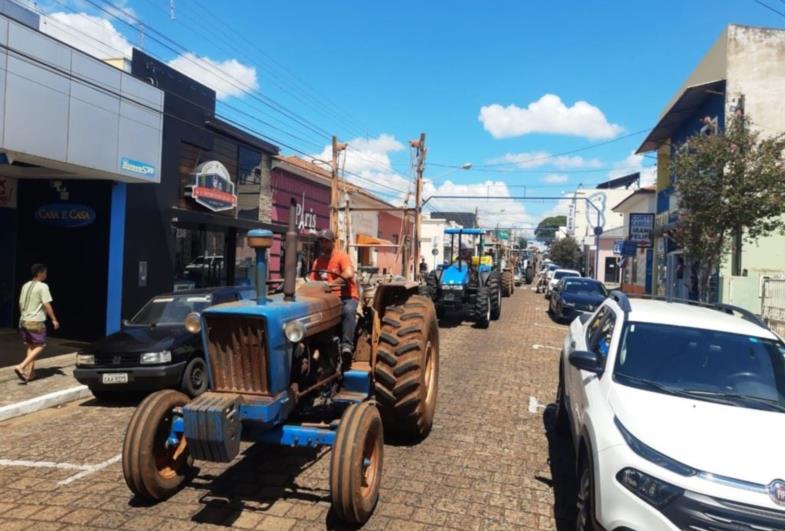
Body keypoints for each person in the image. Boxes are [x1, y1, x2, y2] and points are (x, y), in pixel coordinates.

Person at [310, 229, 359, 362]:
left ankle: (347, 346)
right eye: (321, 241)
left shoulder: (341, 257)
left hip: (346, 296)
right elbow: (311, 281)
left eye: (326, 241)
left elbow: (349, 273)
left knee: (349, 310)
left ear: (333, 242)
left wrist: (331, 284)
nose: (323, 244)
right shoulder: (318, 261)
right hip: (326, 298)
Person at [15, 264, 59, 383]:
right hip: (36, 321)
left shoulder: (25, 285)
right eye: (45, 272)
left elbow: (20, 303)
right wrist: (54, 319)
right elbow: (46, 304)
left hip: (23, 321)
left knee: (31, 346)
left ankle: (31, 374)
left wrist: (24, 316)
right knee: (40, 345)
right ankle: (21, 366)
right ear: (39, 273)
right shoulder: (43, 286)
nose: (46, 275)